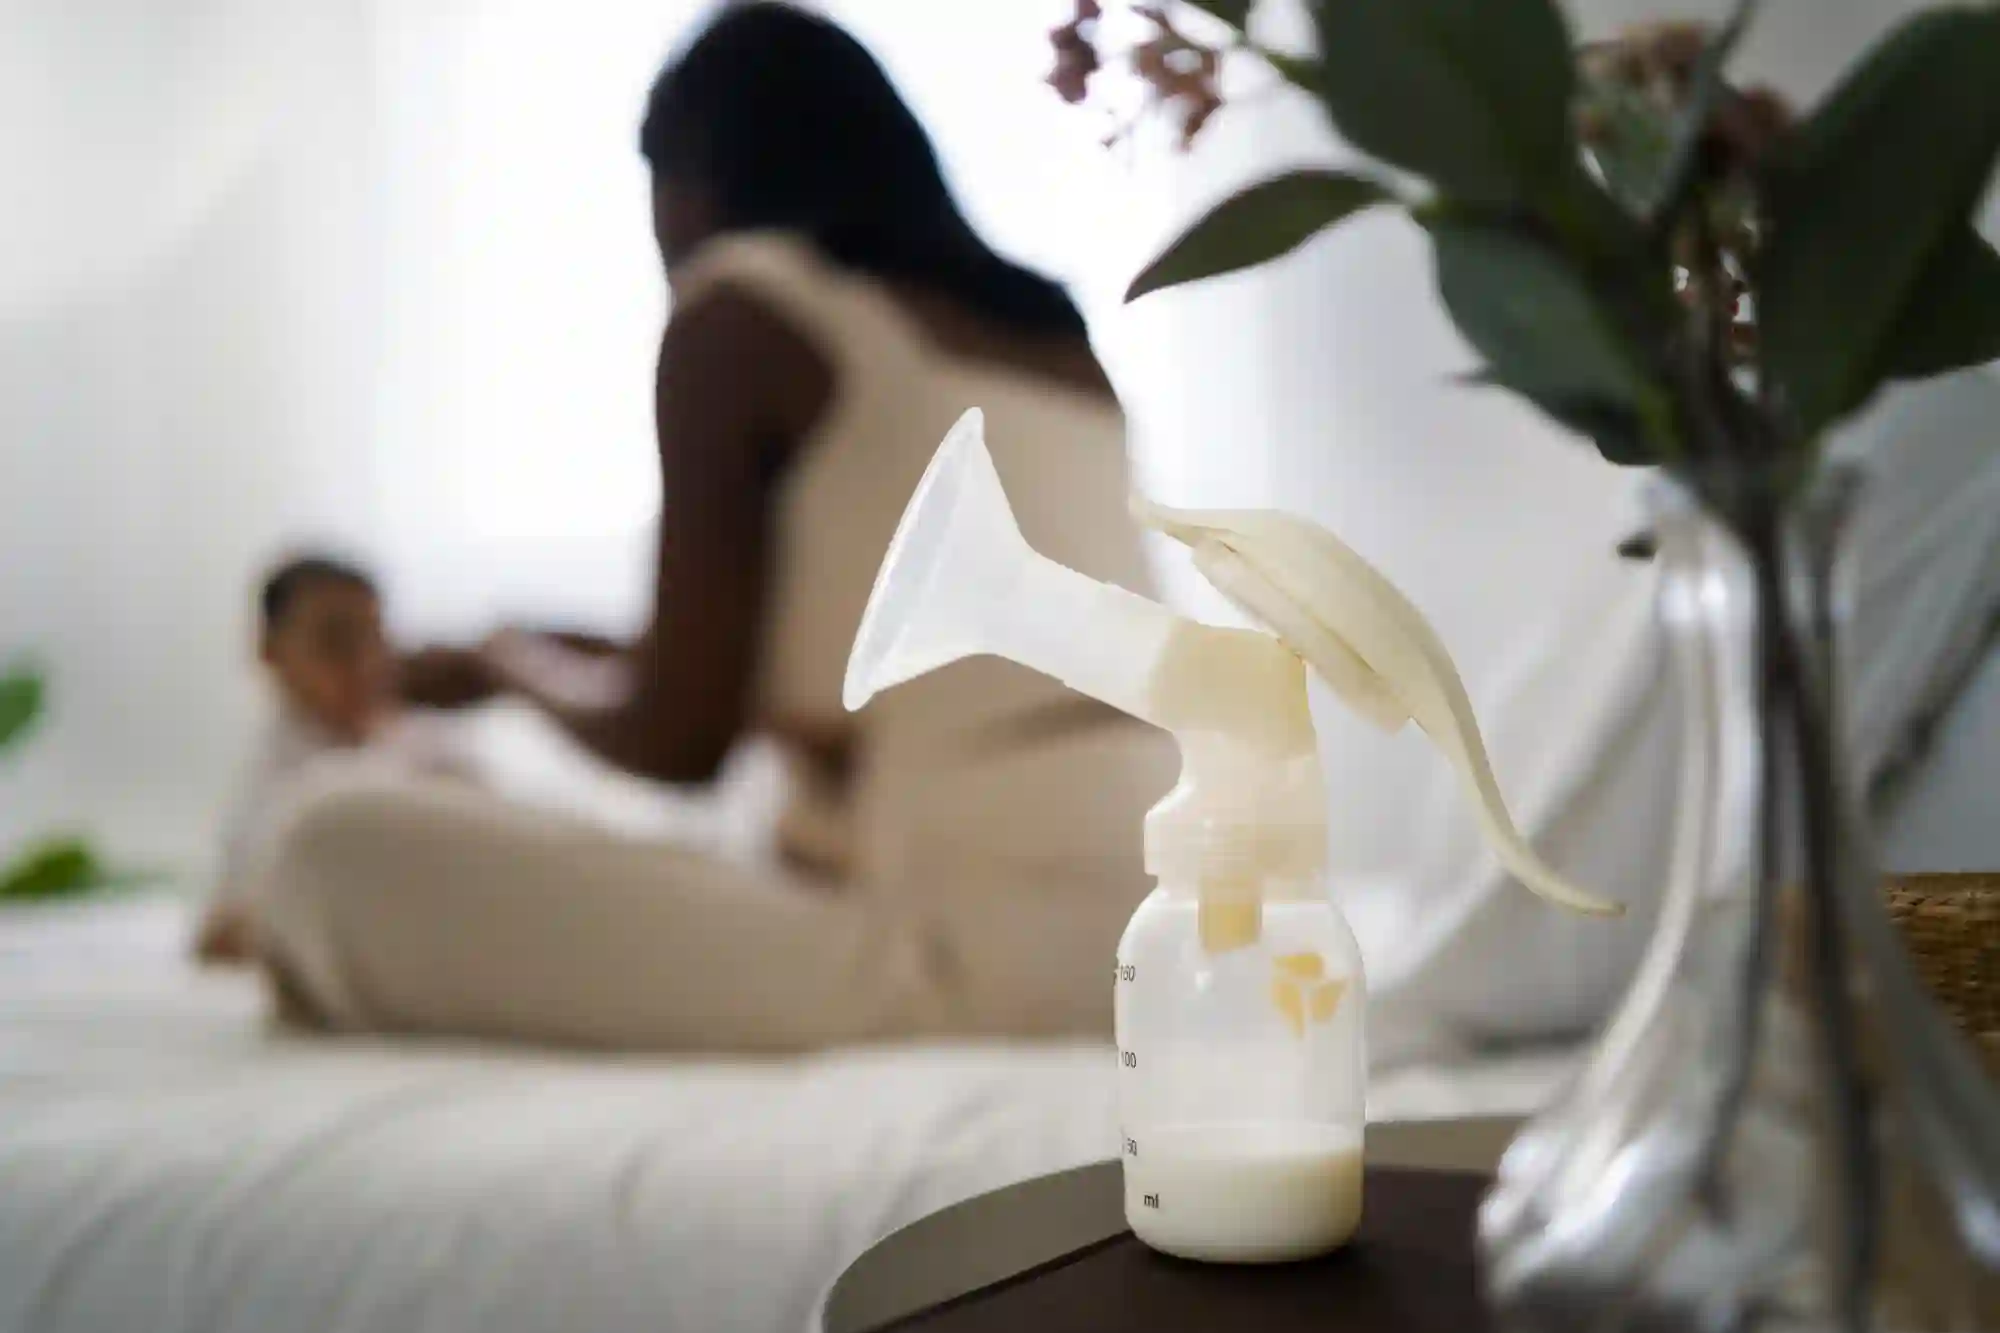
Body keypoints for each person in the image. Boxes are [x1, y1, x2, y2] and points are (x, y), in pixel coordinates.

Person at [251, 2, 1177, 1050]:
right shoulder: (1051, 339)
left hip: (963, 940)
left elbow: (678, 736)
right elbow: (789, 657)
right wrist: (533, 646)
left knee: (322, 846)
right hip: (1169, 906)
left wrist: (507, 662)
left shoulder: (741, 311)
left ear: (689, 180)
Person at [195, 555, 467, 965]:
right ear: (269, 651)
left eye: (375, 640)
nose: (365, 664)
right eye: (335, 642)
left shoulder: (436, 749)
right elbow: (224, 932)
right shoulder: (269, 790)